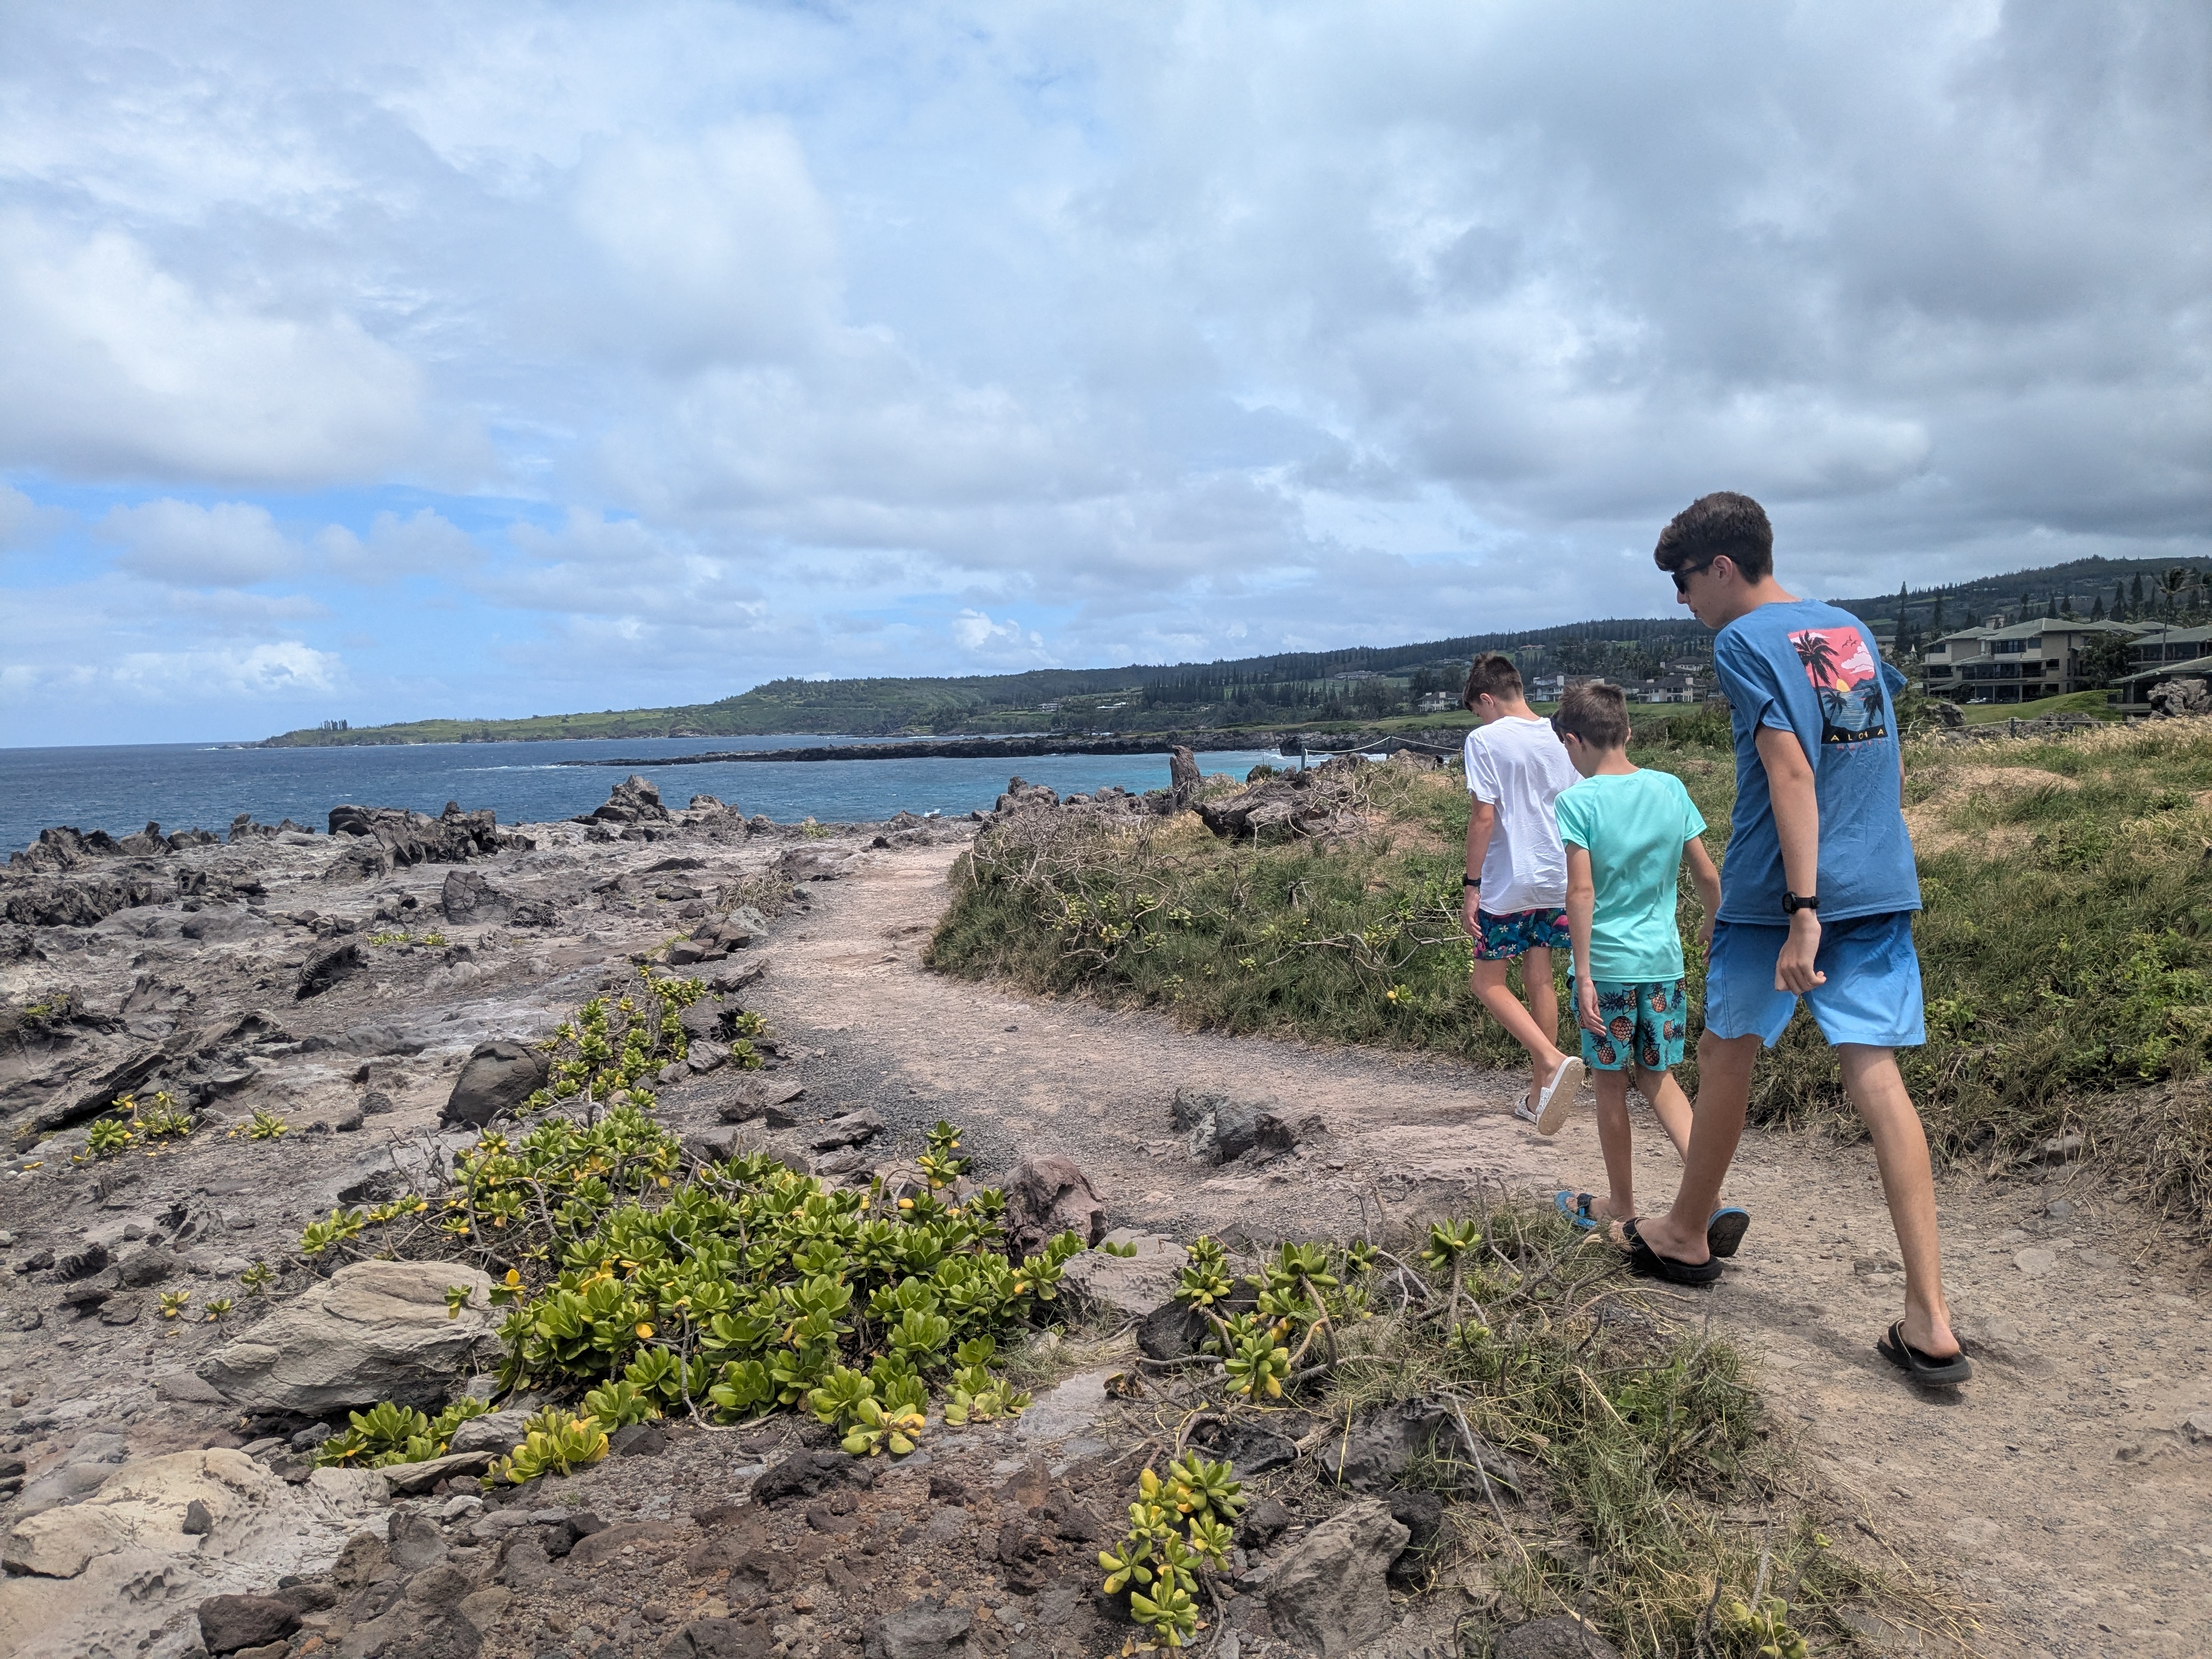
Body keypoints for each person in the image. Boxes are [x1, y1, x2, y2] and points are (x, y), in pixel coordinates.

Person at [1623, 491, 1969, 1388]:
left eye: (1683, 580)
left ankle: (1686, 1232)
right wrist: (1864, 855)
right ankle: (1928, 1314)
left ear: (1723, 568)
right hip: (1877, 878)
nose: (1681, 600)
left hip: (1782, 894)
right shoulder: (1845, 628)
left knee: (1724, 1049)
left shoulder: (1741, 641)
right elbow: (1877, 749)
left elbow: (1787, 762)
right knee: (1874, 1069)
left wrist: (1803, 904)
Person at [1550, 680, 1734, 1245]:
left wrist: (1581, 974)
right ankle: (1711, 1201)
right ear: (1628, 732)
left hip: (1606, 967)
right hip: (1663, 963)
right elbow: (1705, 873)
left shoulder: (1577, 802)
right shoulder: (1670, 789)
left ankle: (1621, 1202)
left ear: (1574, 741)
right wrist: (1713, 920)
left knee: (1610, 1085)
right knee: (1660, 1078)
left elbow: (1580, 894)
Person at [1459, 653, 1585, 1132]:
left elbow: (1483, 817)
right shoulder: (1561, 734)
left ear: (1487, 699)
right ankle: (1538, 1097)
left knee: (1487, 983)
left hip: (1511, 879)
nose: (1480, 719)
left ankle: (1551, 1061)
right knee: (1541, 980)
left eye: (1478, 710)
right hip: (1561, 874)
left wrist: (1472, 886)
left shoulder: (1485, 741)